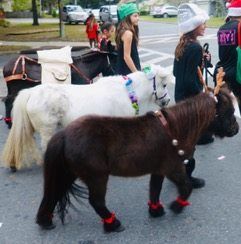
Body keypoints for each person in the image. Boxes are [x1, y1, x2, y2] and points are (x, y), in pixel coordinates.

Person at [173, 3, 210, 188]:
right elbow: (190, 80)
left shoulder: (183, 44)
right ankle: (185, 179)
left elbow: (176, 73)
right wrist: (202, 96)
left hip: (179, 98)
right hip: (189, 102)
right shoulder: (195, 47)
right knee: (190, 143)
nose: (205, 26)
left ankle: (177, 172)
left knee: (183, 138)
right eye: (203, 23)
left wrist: (203, 62)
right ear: (194, 26)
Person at [214, 0, 241, 98]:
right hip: (238, 76)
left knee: (225, 109)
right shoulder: (239, 27)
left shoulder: (222, 28)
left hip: (223, 73)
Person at [115, 2, 141, 75]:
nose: (138, 18)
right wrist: (137, 73)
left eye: (138, 15)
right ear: (127, 17)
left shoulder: (123, 29)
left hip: (124, 69)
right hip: (128, 72)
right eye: (135, 16)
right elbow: (126, 57)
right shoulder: (128, 33)